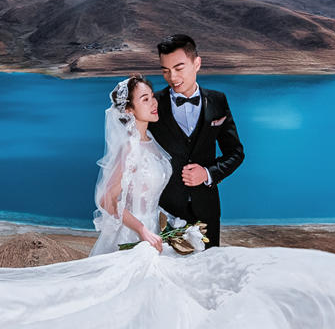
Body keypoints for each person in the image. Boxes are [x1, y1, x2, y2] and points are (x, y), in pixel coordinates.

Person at [150, 33, 244, 248]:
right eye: (165, 70)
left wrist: (208, 173)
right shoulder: (153, 103)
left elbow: (236, 153)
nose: (172, 77)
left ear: (197, 63)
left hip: (207, 209)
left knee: (208, 273)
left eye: (179, 68)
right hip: (165, 211)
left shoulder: (218, 101)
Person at [89, 74, 171, 256]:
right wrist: (141, 229)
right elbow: (106, 199)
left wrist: (169, 221)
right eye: (145, 99)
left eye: (152, 96)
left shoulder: (151, 140)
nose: (154, 103)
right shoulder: (129, 148)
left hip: (155, 230)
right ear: (129, 110)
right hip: (132, 235)